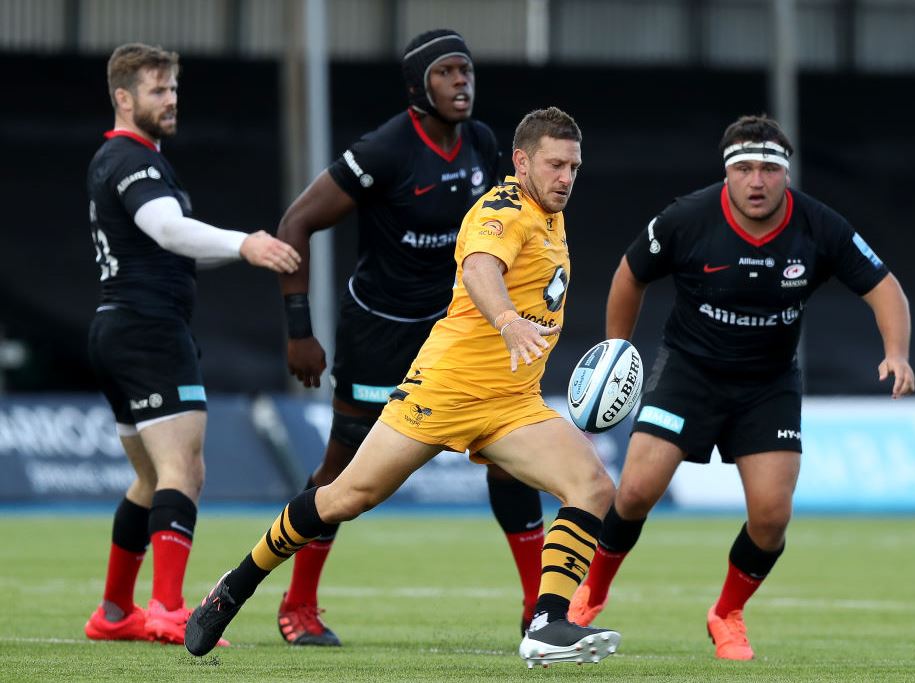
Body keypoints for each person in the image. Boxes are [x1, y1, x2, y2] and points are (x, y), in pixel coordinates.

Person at [186, 107, 623, 668]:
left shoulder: (551, 214)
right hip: (441, 393)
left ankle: (546, 624)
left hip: (511, 404)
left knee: (592, 486)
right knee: (347, 497)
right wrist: (508, 319)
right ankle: (238, 583)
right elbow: (481, 270)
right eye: (555, 164)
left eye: (574, 167)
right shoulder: (502, 210)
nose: (566, 177)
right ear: (521, 162)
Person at [568, 114, 915, 660]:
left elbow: (885, 288)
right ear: (727, 173)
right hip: (688, 371)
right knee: (634, 491)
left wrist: (896, 353)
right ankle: (592, 591)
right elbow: (629, 273)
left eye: (769, 169)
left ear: (785, 174)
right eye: (745, 168)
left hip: (767, 384)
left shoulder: (819, 226)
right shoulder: (688, 218)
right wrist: (616, 349)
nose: (757, 181)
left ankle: (727, 613)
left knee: (773, 517)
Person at [273, 29, 544, 645]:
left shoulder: (481, 143)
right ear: (419, 86)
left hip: (456, 335)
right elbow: (296, 222)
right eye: (447, 73)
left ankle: (539, 610)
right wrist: (298, 331)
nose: (462, 83)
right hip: (380, 333)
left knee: (511, 460)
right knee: (343, 472)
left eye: (466, 71)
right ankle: (298, 606)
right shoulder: (385, 150)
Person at [83, 43, 301, 645]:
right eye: (158, 90)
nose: (171, 99)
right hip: (148, 331)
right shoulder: (131, 159)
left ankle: (114, 611)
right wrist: (245, 243)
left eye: (174, 88)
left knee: (152, 480)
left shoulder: (129, 159)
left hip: (118, 328)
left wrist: (234, 251)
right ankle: (168, 609)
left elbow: (170, 248)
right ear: (124, 98)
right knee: (185, 470)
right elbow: (166, 228)